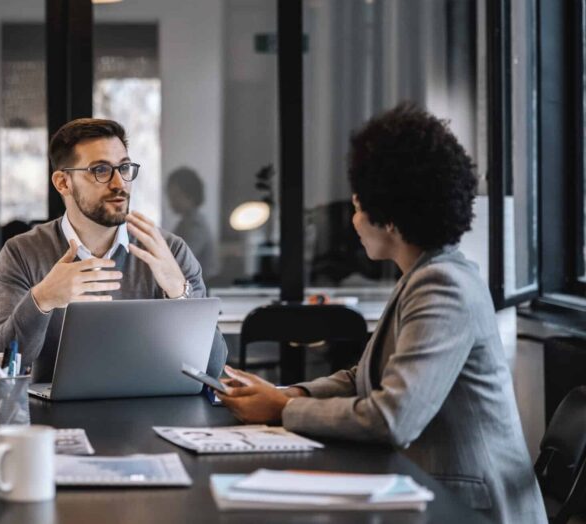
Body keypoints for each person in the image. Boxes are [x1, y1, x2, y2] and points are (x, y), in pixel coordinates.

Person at [217, 103, 545, 523]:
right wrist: (288, 394)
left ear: (388, 216)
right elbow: (362, 376)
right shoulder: (422, 275)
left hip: (471, 510)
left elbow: (393, 418)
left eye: (357, 206)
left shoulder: (442, 285)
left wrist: (281, 411)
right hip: (431, 492)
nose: (353, 221)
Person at [0, 118, 227, 381]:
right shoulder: (22, 253)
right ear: (63, 183)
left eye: (124, 168)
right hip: (54, 417)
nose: (119, 183)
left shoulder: (170, 252)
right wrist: (42, 299)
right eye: (100, 170)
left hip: (150, 414)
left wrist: (179, 292)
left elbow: (212, 370)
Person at [166, 167, 218, 277]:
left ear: (190, 196)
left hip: (201, 287)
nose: (171, 200)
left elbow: (181, 259)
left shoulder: (196, 224)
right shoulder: (184, 222)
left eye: (176, 195)